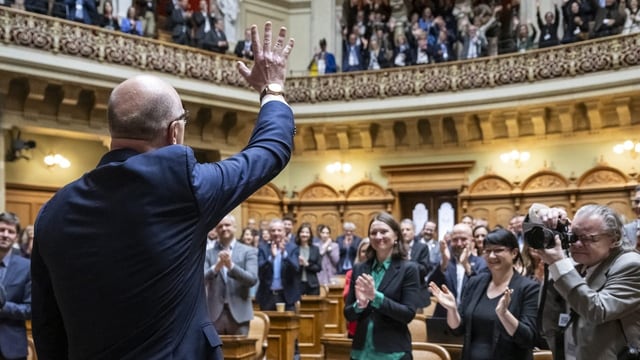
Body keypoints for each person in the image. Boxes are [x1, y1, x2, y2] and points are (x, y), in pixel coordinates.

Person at [31, 22, 295, 359]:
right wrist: (271, 87)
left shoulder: (54, 209)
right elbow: (269, 151)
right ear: (175, 133)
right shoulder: (182, 187)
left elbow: (47, 326)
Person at [536, 204, 640, 359]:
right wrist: (547, 221)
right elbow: (550, 308)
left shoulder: (631, 264)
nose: (577, 244)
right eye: (574, 236)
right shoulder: (578, 262)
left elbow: (598, 310)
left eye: (588, 238)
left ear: (614, 239)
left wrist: (558, 263)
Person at [429, 229, 540, 360]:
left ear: (514, 253)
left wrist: (504, 315)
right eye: (487, 251)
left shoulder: (528, 288)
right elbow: (458, 329)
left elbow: (528, 339)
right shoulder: (476, 283)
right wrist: (452, 310)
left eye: (498, 250)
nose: (492, 256)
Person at [344, 212, 420, 359]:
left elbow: (408, 314)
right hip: (361, 352)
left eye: (384, 232)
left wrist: (375, 297)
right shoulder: (360, 268)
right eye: (373, 233)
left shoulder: (409, 269)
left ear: (396, 235)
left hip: (393, 352)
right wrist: (359, 304)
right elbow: (348, 314)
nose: (378, 237)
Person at [204, 215, 258, 335]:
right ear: (216, 230)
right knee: (215, 353)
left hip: (240, 314)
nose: (224, 228)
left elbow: (252, 279)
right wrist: (216, 268)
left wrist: (231, 266)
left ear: (235, 227)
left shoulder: (248, 251)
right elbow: (201, 279)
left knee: (242, 353)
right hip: (214, 314)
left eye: (227, 225)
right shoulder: (208, 253)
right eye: (220, 226)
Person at [429, 223, 487, 317]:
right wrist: (444, 263)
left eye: (463, 239)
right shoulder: (445, 261)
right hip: (444, 318)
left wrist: (466, 265)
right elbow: (430, 286)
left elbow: (481, 288)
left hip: (472, 318)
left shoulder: (482, 263)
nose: (459, 244)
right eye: (455, 240)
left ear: (472, 241)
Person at [0, 212, 32, 360]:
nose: (5, 235)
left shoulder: (26, 267)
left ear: (16, 237)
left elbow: (30, 309)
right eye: (1, 230)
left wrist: (2, 307)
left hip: (12, 349)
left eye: (11, 231)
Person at [256, 219, 300, 311]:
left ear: (284, 232)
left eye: (279, 230)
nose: (276, 233)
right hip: (267, 296)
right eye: (273, 230)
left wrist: (285, 254)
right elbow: (259, 270)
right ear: (269, 233)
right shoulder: (263, 249)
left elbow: (296, 269)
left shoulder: (292, 248)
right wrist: (271, 258)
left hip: (287, 297)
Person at [400, 218, 432, 309]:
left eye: (407, 229)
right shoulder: (395, 248)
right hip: (399, 293)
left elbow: (424, 270)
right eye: (402, 230)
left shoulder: (422, 247)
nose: (404, 232)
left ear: (414, 232)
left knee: (417, 322)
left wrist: (409, 261)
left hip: (418, 293)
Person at [294, 223, 321, 296]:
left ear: (310, 235)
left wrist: (307, 264)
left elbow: (319, 268)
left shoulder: (315, 249)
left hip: (312, 284)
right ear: (299, 234)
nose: (304, 234)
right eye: (302, 232)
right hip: (297, 284)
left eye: (307, 232)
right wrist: (297, 264)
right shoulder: (294, 249)